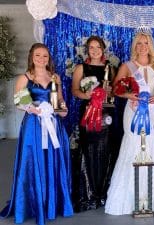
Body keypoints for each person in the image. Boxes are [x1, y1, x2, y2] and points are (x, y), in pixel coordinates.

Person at [105, 27, 154, 215]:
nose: (142, 46)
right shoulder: (127, 66)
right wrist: (131, 94)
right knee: (133, 145)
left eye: (145, 43)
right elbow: (116, 90)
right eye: (139, 43)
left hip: (152, 113)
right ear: (134, 46)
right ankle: (130, 196)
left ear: (150, 46)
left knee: (152, 144)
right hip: (133, 111)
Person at [0, 43, 73, 225]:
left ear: (49, 58)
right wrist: (34, 109)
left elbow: (60, 101)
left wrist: (63, 109)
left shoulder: (55, 77)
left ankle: (52, 203)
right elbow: (19, 103)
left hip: (53, 125)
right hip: (34, 125)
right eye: (38, 55)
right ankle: (32, 204)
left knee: (53, 160)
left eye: (45, 56)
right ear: (32, 57)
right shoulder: (25, 78)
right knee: (33, 161)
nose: (41, 59)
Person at [71, 35, 116, 212]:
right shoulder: (81, 68)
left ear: (103, 49)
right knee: (88, 150)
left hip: (106, 114)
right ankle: (88, 194)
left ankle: (103, 193)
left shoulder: (109, 69)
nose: (95, 50)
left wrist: (109, 91)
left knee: (105, 150)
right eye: (91, 47)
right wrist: (88, 95)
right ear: (87, 50)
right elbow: (74, 90)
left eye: (98, 47)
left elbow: (113, 92)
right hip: (88, 113)